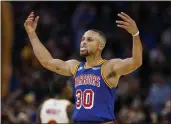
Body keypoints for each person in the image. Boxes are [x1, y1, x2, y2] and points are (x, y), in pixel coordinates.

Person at [24, 11, 142, 123]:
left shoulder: (108, 67)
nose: (84, 42)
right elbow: (47, 62)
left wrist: (135, 34)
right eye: (83, 39)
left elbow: (136, 62)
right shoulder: (75, 67)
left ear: (100, 46)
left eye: (89, 40)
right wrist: (32, 34)